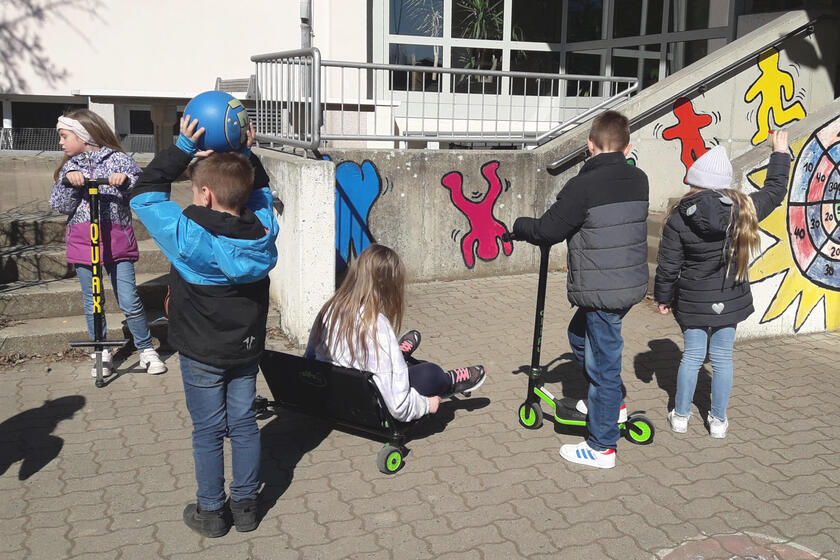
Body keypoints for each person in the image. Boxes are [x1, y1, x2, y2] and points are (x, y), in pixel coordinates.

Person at [129, 116, 279, 538]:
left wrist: (180, 147)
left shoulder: (187, 235)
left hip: (200, 353)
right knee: (245, 424)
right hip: (246, 348)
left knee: (209, 431)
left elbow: (143, 192)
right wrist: (246, 155)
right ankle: (246, 507)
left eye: (196, 191)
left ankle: (213, 513)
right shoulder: (264, 230)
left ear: (205, 195)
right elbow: (263, 193)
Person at [512, 110, 649, 469]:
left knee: (603, 363)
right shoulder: (639, 179)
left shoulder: (583, 186)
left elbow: (548, 230)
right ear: (627, 147)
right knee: (578, 335)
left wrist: (518, 225)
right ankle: (611, 403)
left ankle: (602, 446)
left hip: (603, 291)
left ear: (589, 146)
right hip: (627, 285)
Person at [655, 131, 790, 439]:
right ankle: (717, 421)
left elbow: (669, 265)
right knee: (722, 358)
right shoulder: (744, 210)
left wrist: (663, 297)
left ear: (694, 182)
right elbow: (775, 189)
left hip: (692, 299)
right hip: (730, 299)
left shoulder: (678, 217)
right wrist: (780, 152)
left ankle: (680, 416)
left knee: (691, 356)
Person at [305, 244, 486, 423]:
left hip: (335, 396)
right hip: (371, 406)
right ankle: (449, 381)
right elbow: (397, 406)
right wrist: (425, 404)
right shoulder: (377, 326)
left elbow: (310, 357)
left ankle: (397, 354)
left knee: (389, 360)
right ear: (388, 286)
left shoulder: (329, 309)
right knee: (431, 372)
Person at [49, 109, 167, 377]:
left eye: (64, 136)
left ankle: (146, 349)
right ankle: (101, 350)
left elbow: (139, 190)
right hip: (83, 240)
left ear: (83, 135)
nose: (60, 142)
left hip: (116, 239)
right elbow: (58, 205)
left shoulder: (120, 160)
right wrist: (69, 184)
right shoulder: (70, 166)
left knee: (128, 298)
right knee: (93, 300)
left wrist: (124, 182)